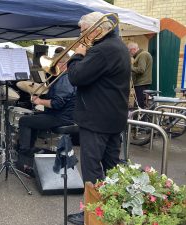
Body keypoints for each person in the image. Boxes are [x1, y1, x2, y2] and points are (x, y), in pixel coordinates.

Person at [66, 12, 131, 225]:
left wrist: (77, 55)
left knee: (92, 169)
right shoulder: (119, 46)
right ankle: (114, 211)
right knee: (112, 167)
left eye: (83, 31)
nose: (82, 36)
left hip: (97, 119)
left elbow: (76, 76)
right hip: (113, 118)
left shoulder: (102, 50)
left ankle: (92, 215)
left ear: (97, 30)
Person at [16, 53, 76, 175]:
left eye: (56, 63)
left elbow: (57, 104)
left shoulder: (65, 79)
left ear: (62, 64)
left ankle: (25, 153)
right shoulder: (68, 77)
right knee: (32, 119)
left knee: (24, 121)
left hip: (60, 118)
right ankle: (30, 154)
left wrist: (39, 101)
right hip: (63, 115)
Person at [127, 42, 153, 108]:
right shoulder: (142, 54)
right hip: (141, 83)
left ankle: (139, 118)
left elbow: (141, 69)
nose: (129, 53)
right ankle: (139, 117)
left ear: (133, 49)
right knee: (140, 103)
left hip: (141, 83)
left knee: (139, 104)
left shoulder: (142, 55)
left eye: (129, 51)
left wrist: (129, 67)